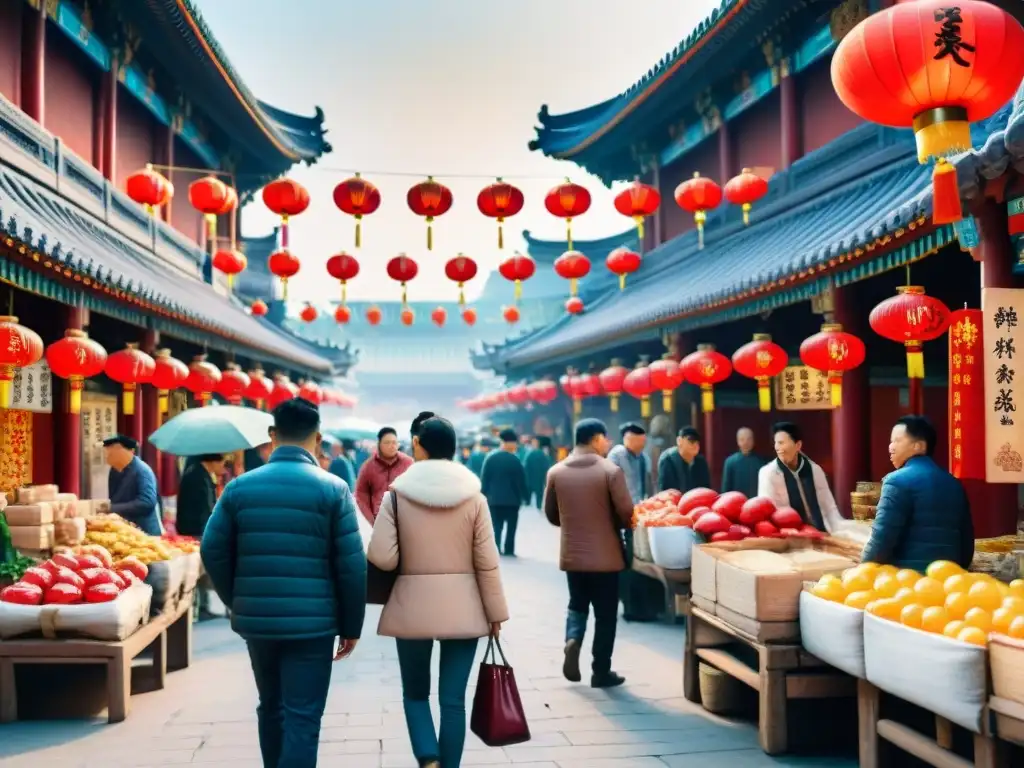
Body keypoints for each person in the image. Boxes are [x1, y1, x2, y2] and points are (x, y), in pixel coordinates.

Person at [200, 399, 366, 768]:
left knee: (271, 705)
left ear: (272, 436)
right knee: (303, 715)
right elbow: (352, 566)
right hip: (314, 624)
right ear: (318, 438)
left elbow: (212, 550)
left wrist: (238, 598)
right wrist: (351, 625)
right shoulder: (334, 489)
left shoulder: (240, 489)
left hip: (258, 621)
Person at [368, 416, 508, 768]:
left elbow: (382, 557)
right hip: (465, 607)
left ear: (418, 444)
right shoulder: (474, 498)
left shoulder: (397, 497)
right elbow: (487, 563)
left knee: (415, 694)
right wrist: (495, 614)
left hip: (412, 607)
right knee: (453, 700)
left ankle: (427, 757)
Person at [544, 418, 634, 688]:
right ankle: (600, 671)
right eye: (606, 438)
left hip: (573, 556)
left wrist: (573, 522)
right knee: (606, 615)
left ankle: (573, 639)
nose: (608, 443)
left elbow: (551, 514)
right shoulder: (610, 470)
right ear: (596, 439)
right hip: (606, 558)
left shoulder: (556, 472)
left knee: (577, 604)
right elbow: (627, 513)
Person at [862, 415, 974, 571]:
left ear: (919, 446)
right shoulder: (954, 483)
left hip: (909, 583)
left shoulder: (896, 481)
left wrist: (861, 570)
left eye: (897, 441)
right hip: (949, 581)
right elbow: (966, 545)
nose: (890, 447)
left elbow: (881, 541)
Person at [607, 423, 660, 622]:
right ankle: (629, 606)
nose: (640, 444)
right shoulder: (616, 455)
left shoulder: (644, 458)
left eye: (642, 441)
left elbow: (648, 484)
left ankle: (643, 605)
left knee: (640, 559)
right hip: (621, 514)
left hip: (640, 514)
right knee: (627, 560)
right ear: (627, 439)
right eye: (637, 440)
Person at [757, 421, 845, 533]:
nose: (778, 448)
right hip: (786, 534)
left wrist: (838, 532)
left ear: (798, 445)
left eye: (781, 443)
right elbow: (767, 512)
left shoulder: (815, 470)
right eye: (776, 443)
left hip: (820, 531)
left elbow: (830, 508)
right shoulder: (767, 473)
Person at [176, 452, 225, 620]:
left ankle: (202, 607)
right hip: (195, 530)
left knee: (202, 571)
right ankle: (197, 608)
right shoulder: (196, 476)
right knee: (197, 571)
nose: (223, 467)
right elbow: (203, 510)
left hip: (197, 529)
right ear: (212, 461)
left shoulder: (201, 474)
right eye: (222, 463)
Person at [481, 428, 529, 556]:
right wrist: (526, 496)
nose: (516, 446)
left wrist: (482, 495)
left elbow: (485, 479)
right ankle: (509, 550)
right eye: (514, 443)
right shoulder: (515, 460)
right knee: (511, 527)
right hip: (512, 500)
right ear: (509, 443)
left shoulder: (490, 458)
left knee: (496, 525)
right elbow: (521, 481)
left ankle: (496, 548)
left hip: (494, 500)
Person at [104, 434, 162, 535]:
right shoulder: (114, 470)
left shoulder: (142, 470)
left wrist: (112, 508)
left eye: (114, 450)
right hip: (124, 529)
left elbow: (147, 502)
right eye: (107, 451)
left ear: (130, 451)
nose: (108, 455)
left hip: (144, 531)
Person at [355, 427, 414, 524]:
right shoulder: (368, 466)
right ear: (379, 444)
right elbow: (361, 493)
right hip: (380, 520)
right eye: (387, 443)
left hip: (405, 521)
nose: (392, 446)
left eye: (394, 443)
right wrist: (371, 518)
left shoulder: (408, 464)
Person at [657, 427, 712, 493]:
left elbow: (706, 489)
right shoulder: (668, 460)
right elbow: (667, 491)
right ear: (679, 441)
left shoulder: (701, 462)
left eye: (697, 442)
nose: (695, 445)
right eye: (691, 440)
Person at [721, 427, 767, 497]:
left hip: (755, 502)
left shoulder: (760, 462)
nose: (746, 442)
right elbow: (725, 488)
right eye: (742, 439)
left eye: (749, 439)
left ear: (753, 441)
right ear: (738, 441)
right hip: (735, 502)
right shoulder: (730, 462)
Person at [524, 436, 554, 508]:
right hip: (533, 476)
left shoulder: (534, 453)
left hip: (537, 477)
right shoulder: (531, 453)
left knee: (537, 494)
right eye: (533, 442)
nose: (534, 444)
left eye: (535, 442)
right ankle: (535, 505)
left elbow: (546, 466)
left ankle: (537, 505)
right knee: (535, 493)